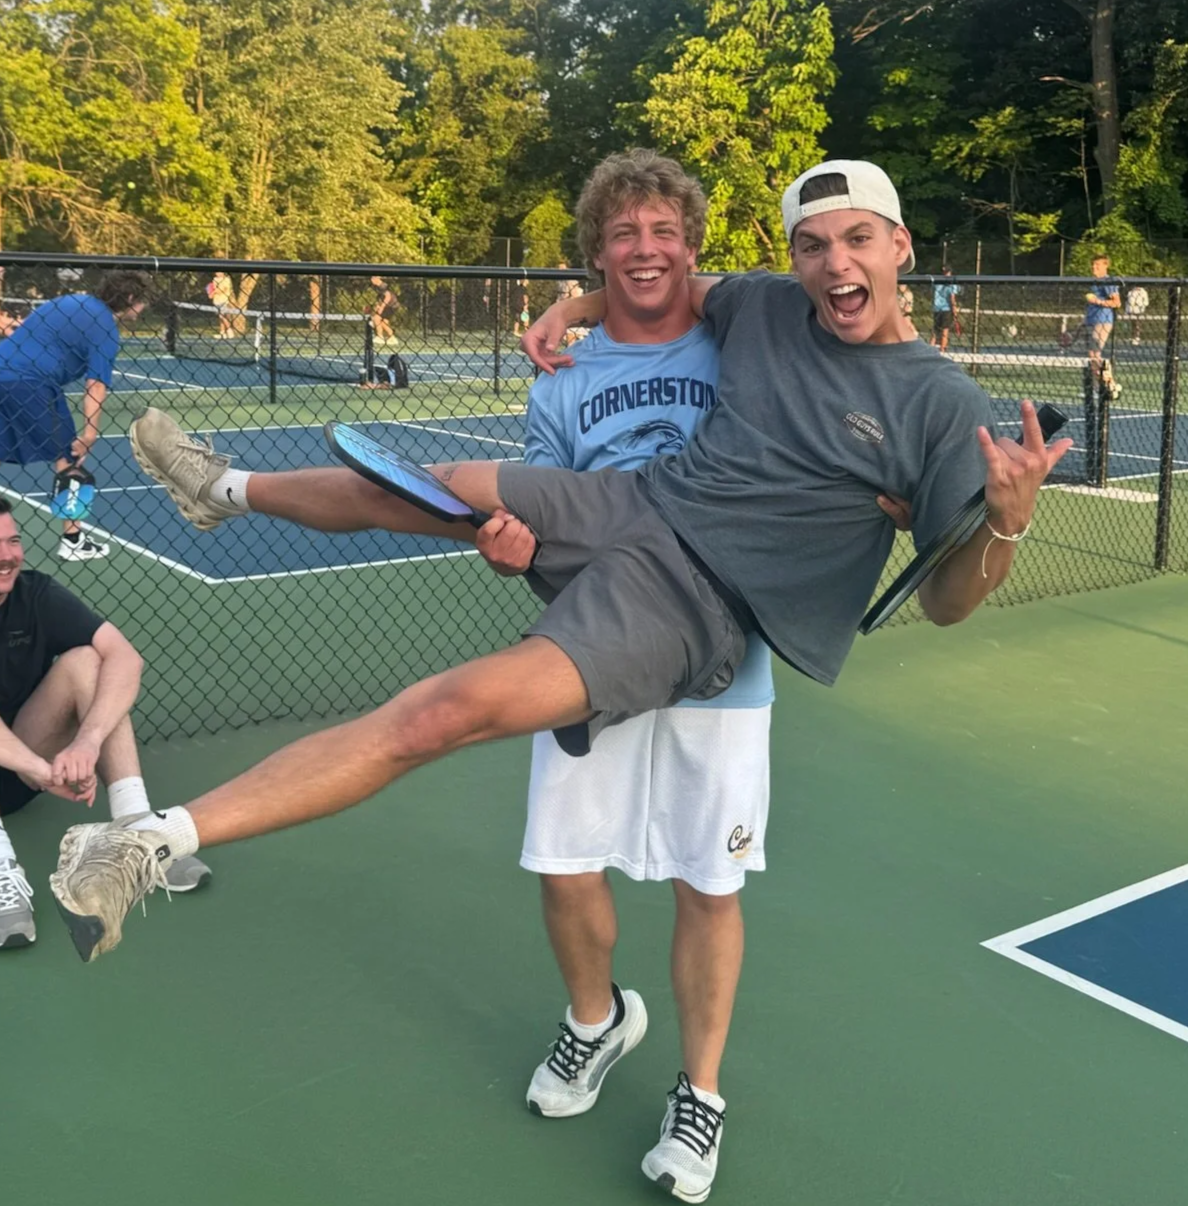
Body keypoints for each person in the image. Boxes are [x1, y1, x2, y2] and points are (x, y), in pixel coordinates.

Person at [50, 159, 1068, 1019]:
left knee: (443, 714)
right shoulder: (767, 305)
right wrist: (573, 303)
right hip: (631, 501)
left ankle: (149, 842)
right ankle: (220, 488)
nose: (835, 263)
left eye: (857, 241)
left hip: (695, 605)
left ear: (900, 248)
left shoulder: (944, 405)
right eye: (815, 244)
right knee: (432, 485)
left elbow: (943, 602)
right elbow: (658, 282)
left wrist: (1010, 518)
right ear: (794, 255)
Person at [476, 154, 778, 1199]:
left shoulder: (746, 343)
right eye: (622, 233)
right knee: (564, 864)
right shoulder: (562, 376)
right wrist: (515, 547)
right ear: (597, 251)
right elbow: (544, 520)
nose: (645, 247)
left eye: (663, 229)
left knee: (711, 879)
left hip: (722, 663)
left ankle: (700, 1095)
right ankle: (596, 1023)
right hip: (591, 642)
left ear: (692, 243)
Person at [0, 499, 210, 947]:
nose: (8, 556)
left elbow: (126, 657)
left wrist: (88, 741)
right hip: (30, 767)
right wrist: (40, 769)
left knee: (88, 663)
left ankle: (136, 829)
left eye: (13, 541)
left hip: (19, 766)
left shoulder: (35, 594)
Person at [0, 272, 151, 561]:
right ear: (130, 299)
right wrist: (90, 432)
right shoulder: (105, 327)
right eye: (142, 302)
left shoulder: (72, 301)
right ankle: (73, 540)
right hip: (30, 382)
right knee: (71, 454)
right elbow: (95, 384)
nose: (143, 309)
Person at [1084, 255, 1121, 388]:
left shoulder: (1108, 281)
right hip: (1092, 321)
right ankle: (1098, 387)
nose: (1094, 267)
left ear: (1105, 266)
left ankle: (1110, 382)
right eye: (1093, 265)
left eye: (1097, 265)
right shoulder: (1094, 283)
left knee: (1095, 354)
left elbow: (1117, 303)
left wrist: (1097, 301)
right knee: (1092, 355)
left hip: (1103, 321)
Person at [930, 267, 961, 352]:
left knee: (935, 331)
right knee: (944, 331)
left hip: (936, 309)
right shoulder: (952, 283)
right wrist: (954, 309)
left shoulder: (936, 282)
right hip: (945, 309)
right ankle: (942, 350)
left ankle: (931, 349)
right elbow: (952, 297)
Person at [367, 277, 397, 348]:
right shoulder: (377, 287)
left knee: (377, 319)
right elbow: (380, 299)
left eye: (373, 279)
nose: (371, 280)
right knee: (383, 322)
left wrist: (382, 307)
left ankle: (380, 337)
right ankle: (392, 337)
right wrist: (377, 307)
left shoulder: (382, 285)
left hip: (390, 305)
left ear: (376, 279)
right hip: (391, 305)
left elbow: (388, 296)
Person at [208, 272, 235, 340]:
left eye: (220, 272)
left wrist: (214, 292)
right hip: (216, 301)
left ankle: (230, 331)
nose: (218, 273)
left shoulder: (226, 279)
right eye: (217, 272)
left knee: (222, 316)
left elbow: (223, 289)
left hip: (224, 300)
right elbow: (213, 289)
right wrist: (212, 292)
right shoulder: (215, 279)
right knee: (221, 318)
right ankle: (222, 333)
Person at [1124, 282, 1149, 347]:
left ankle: (1136, 338)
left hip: (1139, 311)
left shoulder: (1143, 292)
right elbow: (1128, 302)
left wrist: (1139, 304)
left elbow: (1146, 302)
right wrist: (1127, 311)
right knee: (1133, 324)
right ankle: (1133, 337)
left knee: (1137, 324)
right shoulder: (1130, 292)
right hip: (1131, 311)